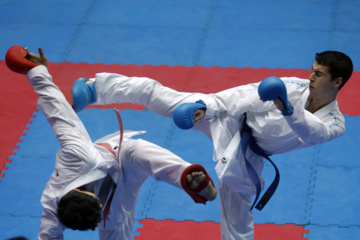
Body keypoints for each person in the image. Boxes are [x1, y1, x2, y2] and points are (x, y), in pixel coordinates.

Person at [71, 50, 353, 240]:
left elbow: (310, 132)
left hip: (248, 157)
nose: (311, 77)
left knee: (238, 221)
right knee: (164, 97)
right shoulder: (293, 85)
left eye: (319, 74)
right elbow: (244, 96)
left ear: (337, 82)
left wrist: (286, 106)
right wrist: (206, 107)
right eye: (312, 70)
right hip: (230, 119)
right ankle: (97, 88)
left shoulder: (335, 123)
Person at [8, 46, 218, 240]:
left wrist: (36, 71)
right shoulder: (52, 220)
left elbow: (58, 112)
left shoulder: (78, 156)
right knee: (115, 228)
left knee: (139, 151)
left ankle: (186, 177)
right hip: (116, 195)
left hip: (119, 156)